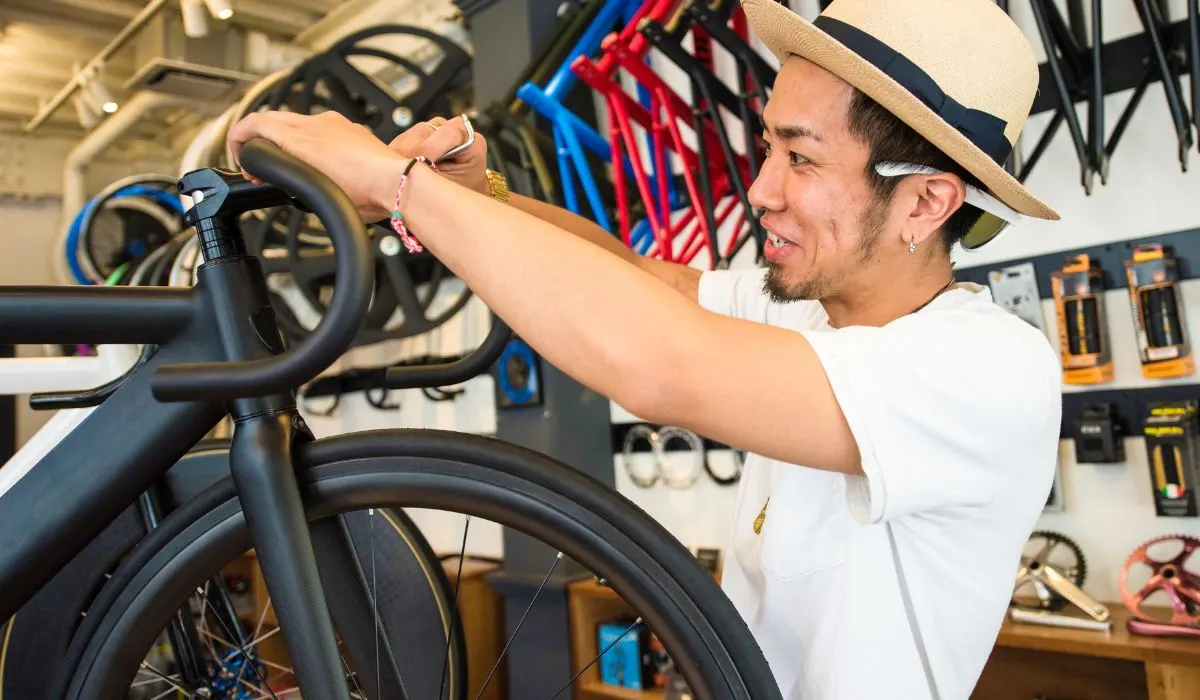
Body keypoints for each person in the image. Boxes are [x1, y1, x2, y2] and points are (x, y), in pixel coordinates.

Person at [227, 0, 1063, 697]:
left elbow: (661, 363)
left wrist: (394, 187)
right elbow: (635, 278)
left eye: (801, 158)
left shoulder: (987, 370)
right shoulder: (814, 317)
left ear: (926, 203)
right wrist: (471, 191)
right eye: (770, 145)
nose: (762, 188)